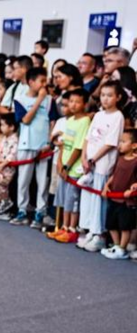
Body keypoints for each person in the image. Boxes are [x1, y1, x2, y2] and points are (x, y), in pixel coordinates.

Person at [77, 81, 125, 252]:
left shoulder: (118, 116)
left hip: (103, 163)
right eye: (103, 95)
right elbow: (87, 138)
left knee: (99, 199)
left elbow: (110, 143)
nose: (105, 99)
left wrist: (93, 159)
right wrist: (84, 157)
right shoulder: (98, 115)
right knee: (88, 197)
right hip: (89, 162)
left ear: (118, 97)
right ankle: (89, 229)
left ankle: (100, 234)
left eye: (110, 95)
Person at [10, 67, 53, 228]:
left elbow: (53, 122)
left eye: (45, 80)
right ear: (31, 82)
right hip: (26, 144)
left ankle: (40, 212)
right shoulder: (20, 99)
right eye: (41, 81)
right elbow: (26, 120)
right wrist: (39, 100)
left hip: (43, 146)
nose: (44, 84)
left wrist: (49, 142)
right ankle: (22, 210)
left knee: (43, 182)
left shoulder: (50, 100)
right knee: (23, 180)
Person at [49, 89, 90, 243]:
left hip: (74, 169)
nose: (73, 105)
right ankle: (64, 227)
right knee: (64, 199)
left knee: (73, 200)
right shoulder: (70, 120)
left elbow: (78, 148)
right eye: (71, 101)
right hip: (64, 166)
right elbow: (64, 145)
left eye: (77, 102)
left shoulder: (85, 121)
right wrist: (60, 163)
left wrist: (67, 167)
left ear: (85, 104)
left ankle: (72, 229)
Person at [101, 128, 137, 259]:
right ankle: (116, 245)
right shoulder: (120, 158)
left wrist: (133, 189)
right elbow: (114, 174)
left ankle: (122, 249)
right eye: (120, 141)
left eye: (123, 141)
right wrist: (106, 186)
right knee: (111, 224)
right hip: (114, 198)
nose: (120, 144)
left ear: (134, 145)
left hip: (127, 201)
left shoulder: (135, 161)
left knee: (125, 226)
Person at [0, 114, 20, 220]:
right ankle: (1, 205)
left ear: (11, 127)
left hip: (7, 169)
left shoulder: (15, 139)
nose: (1, 127)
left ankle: (7, 203)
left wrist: (2, 165)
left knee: (0, 184)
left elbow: (12, 155)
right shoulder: (3, 139)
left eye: (3, 125)